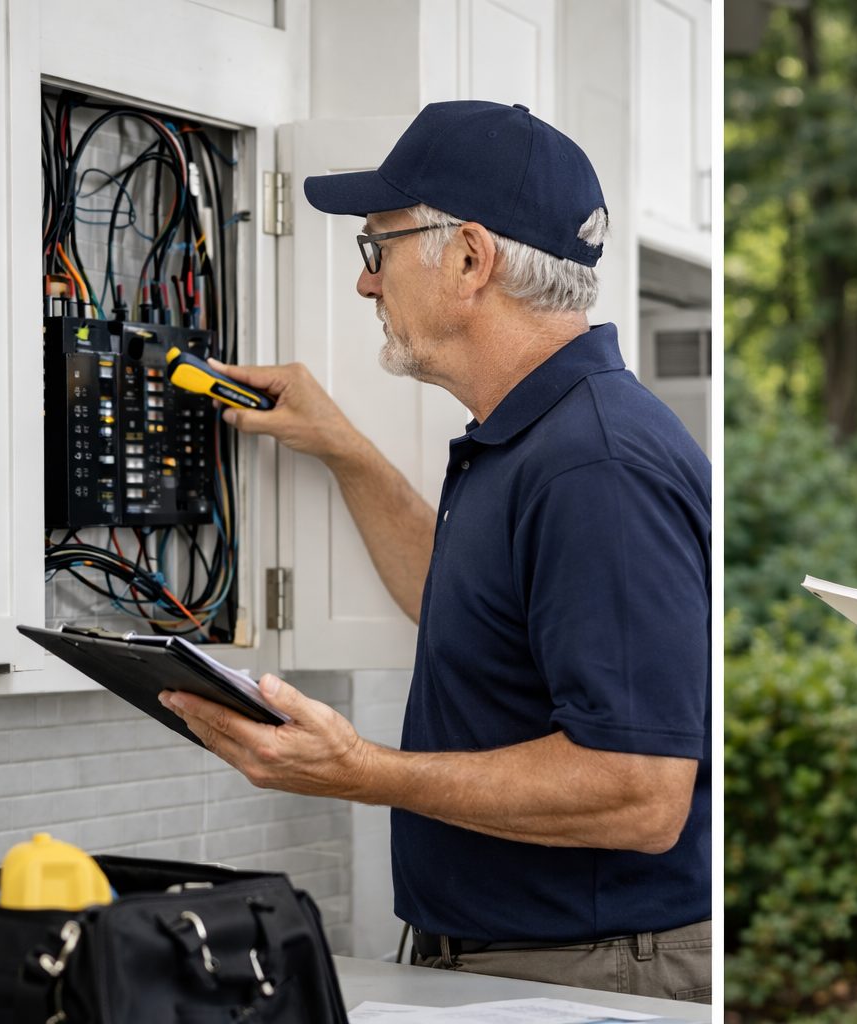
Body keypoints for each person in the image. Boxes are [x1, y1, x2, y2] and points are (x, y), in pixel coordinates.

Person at [160, 100, 711, 1002]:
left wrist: (360, 773)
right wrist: (345, 450)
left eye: (377, 247)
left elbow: (640, 794)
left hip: (594, 971)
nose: (365, 285)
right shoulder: (529, 440)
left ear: (469, 257)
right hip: (526, 961)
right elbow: (464, 606)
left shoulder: (596, 466)